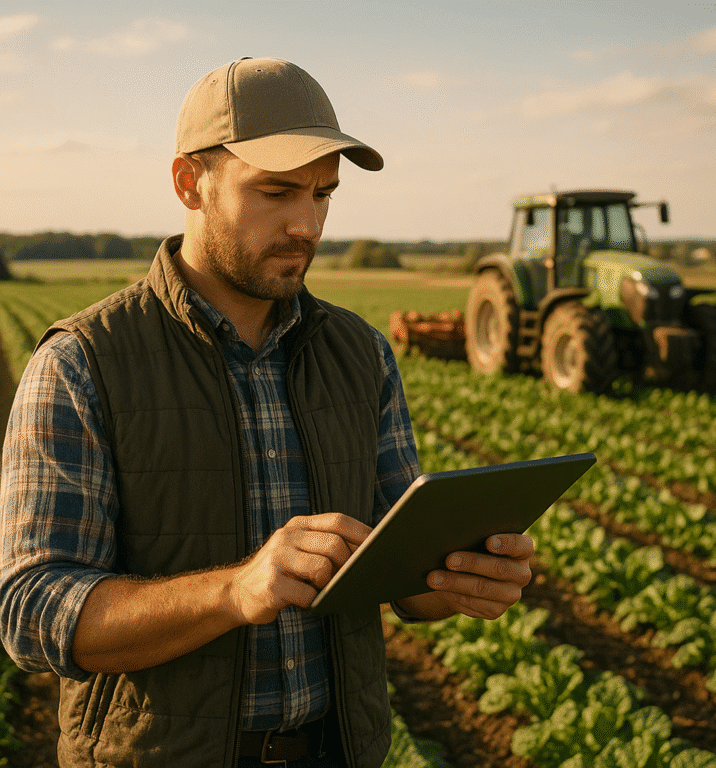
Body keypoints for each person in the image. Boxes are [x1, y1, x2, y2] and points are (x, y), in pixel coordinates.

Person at [0, 57, 534, 768]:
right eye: (277, 192)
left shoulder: (362, 353)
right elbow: (33, 610)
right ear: (191, 183)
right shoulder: (82, 362)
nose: (307, 224)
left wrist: (462, 577)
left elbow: (396, 572)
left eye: (323, 194)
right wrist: (234, 590)